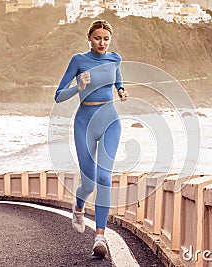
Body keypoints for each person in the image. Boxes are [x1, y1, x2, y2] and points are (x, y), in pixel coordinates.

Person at [54, 20, 129, 258]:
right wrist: (78, 87)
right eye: (97, 38)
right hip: (84, 122)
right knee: (89, 183)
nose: (102, 43)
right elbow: (58, 96)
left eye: (106, 39)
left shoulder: (115, 58)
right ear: (89, 38)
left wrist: (121, 90)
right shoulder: (78, 60)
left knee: (105, 176)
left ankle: (100, 236)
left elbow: (117, 78)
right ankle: (78, 206)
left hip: (110, 120)